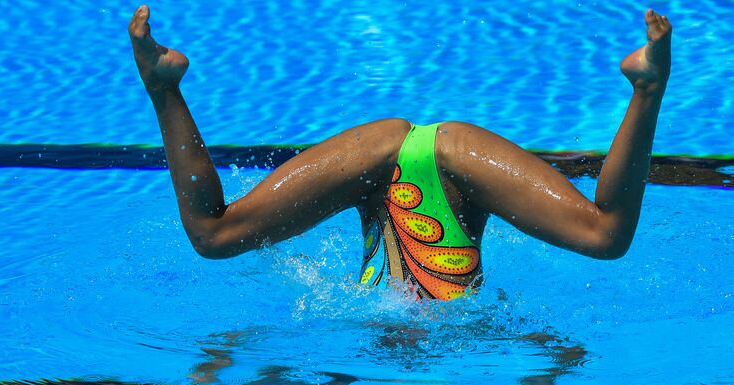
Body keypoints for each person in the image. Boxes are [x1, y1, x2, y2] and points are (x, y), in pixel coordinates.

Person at [127, 5, 672, 301]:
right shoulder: (440, 360)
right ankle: (646, 89)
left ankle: (163, 88)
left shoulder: (375, 327)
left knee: (213, 234)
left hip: (386, 158)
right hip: (449, 160)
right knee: (604, 234)